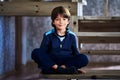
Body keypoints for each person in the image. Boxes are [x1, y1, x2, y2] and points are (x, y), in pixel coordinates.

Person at [31, 6, 89, 74]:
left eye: (64, 19)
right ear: (53, 22)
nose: (61, 22)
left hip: (67, 61)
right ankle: (61, 69)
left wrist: (76, 66)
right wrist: (51, 64)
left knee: (84, 58)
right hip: (53, 62)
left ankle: (61, 69)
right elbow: (42, 52)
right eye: (57, 19)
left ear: (68, 22)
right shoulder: (48, 35)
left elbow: (75, 54)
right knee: (36, 52)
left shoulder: (72, 36)